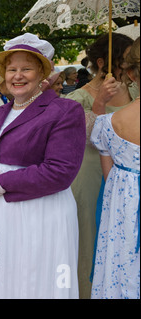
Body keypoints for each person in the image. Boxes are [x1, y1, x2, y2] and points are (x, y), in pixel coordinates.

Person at [0, 33, 86, 298]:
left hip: (42, 213)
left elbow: (60, 172)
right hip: (1, 213)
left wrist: (0, 182)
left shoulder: (65, 111)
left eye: (26, 69)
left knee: (39, 282)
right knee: (7, 281)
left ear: (42, 73)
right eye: (12, 69)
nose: (17, 76)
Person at [65, 33, 136, 299]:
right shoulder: (77, 99)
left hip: (130, 177)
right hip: (92, 173)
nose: (129, 65)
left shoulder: (135, 88)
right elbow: (88, 139)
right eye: (125, 58)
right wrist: (100, 103)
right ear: (103, 62)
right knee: (92, 235)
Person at [90, 37, 140, 299]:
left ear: (131, 73)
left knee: (124, 270)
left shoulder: (107, 124)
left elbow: (109, 179)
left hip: (125, 213)